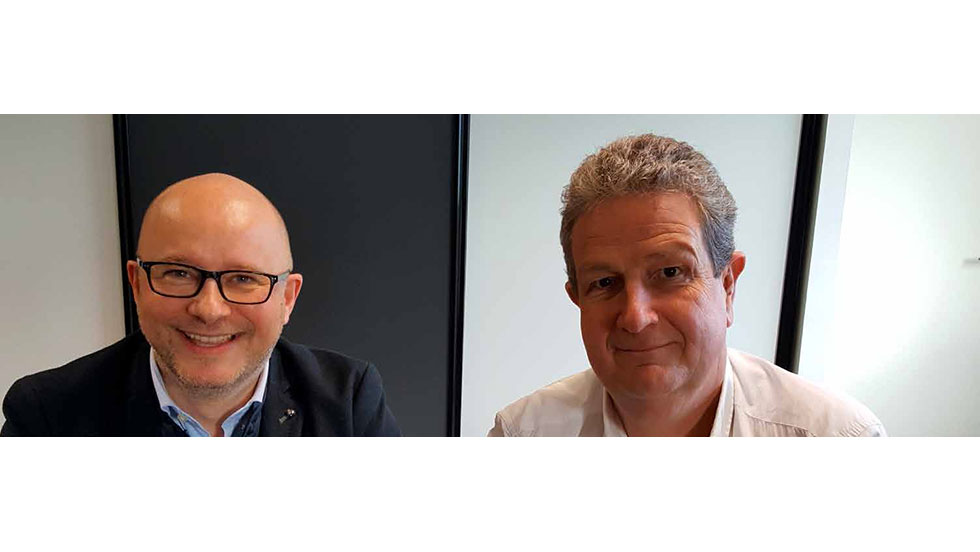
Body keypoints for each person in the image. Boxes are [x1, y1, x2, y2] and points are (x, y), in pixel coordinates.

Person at [488, 134, 885, 437]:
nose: (636, 317)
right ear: (577, 299)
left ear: (727, 286)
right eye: (605, 282)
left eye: (670, 273)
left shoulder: (836, 438)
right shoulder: (523, 434)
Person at [1, 173, 401, 437]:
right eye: (178, 273)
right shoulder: (48, 416)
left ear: (287, 298)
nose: (209, 309)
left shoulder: (350, 403)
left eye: (243, 278)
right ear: (137, 285)